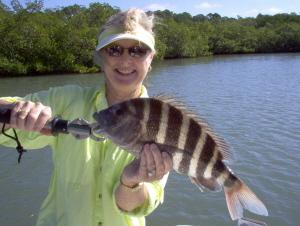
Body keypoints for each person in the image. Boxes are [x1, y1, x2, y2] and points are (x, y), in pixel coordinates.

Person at [0, 8, 173, 226]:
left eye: (138, 51)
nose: (126, 60)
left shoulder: (165, 122)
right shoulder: (65, 100)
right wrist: (19, 112)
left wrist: (131, 182)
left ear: (151, 58)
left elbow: (140, 207)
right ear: (101, 55)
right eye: (114, 50)